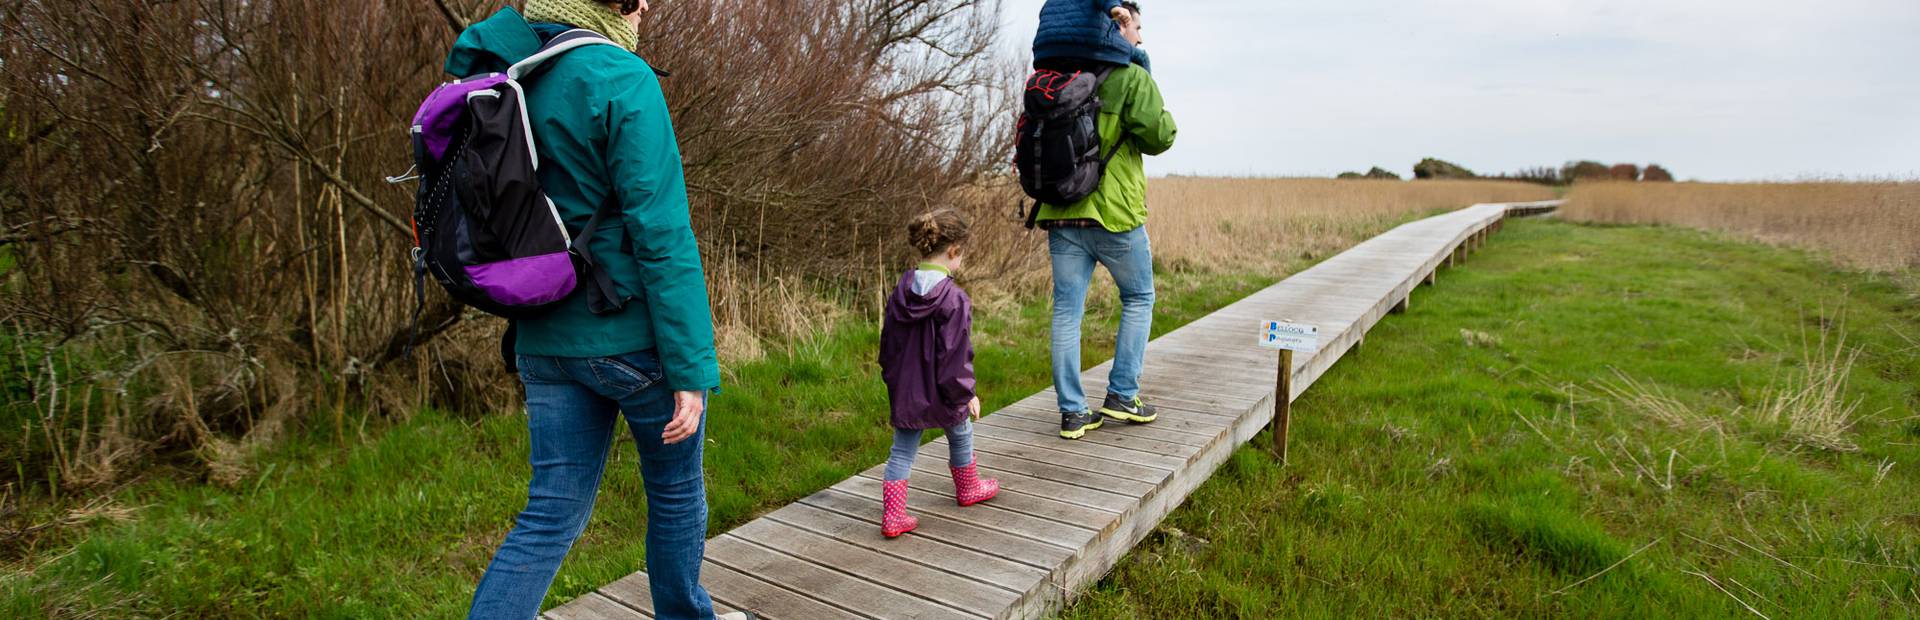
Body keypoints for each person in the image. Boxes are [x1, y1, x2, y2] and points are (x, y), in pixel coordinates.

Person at [448, 2, 747, 619]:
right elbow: (661, 232)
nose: (645, 13)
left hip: (543, 335)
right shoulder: (619, 75)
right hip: (633, 340)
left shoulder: (507, 71)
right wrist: (690, 370)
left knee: (550, 510)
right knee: (673, 491)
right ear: (618, 6)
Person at [1032, 2, 1177, 440]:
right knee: (1138, 297)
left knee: (1066, 312)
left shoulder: (1058, 79)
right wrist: (1144, 72)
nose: (1140, 37)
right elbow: (1161, 136)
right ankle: (1122, 395)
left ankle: (1073, 412)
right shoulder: (1130, 77)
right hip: (1115, 215)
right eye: (1135, 27)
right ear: (1116, 27)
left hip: (1062, 214)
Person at [876, 210, 1000, 538]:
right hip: (944, 389)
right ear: (954, 252)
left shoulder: (902, 289)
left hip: (907, 387)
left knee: (901, 449)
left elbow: (887, 341)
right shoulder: (954, 299)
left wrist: (892, 377)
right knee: (961, 433)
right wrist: (965, 394)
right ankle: (968, 487)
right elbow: (955, 356)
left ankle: (892, 516)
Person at [1032, 0, 1152, 73]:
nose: (1140, 39)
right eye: (1137, 29)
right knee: (1142, 58)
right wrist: (1115, 8)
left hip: (1043, 53)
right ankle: (1151, 102)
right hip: (1083, 44)